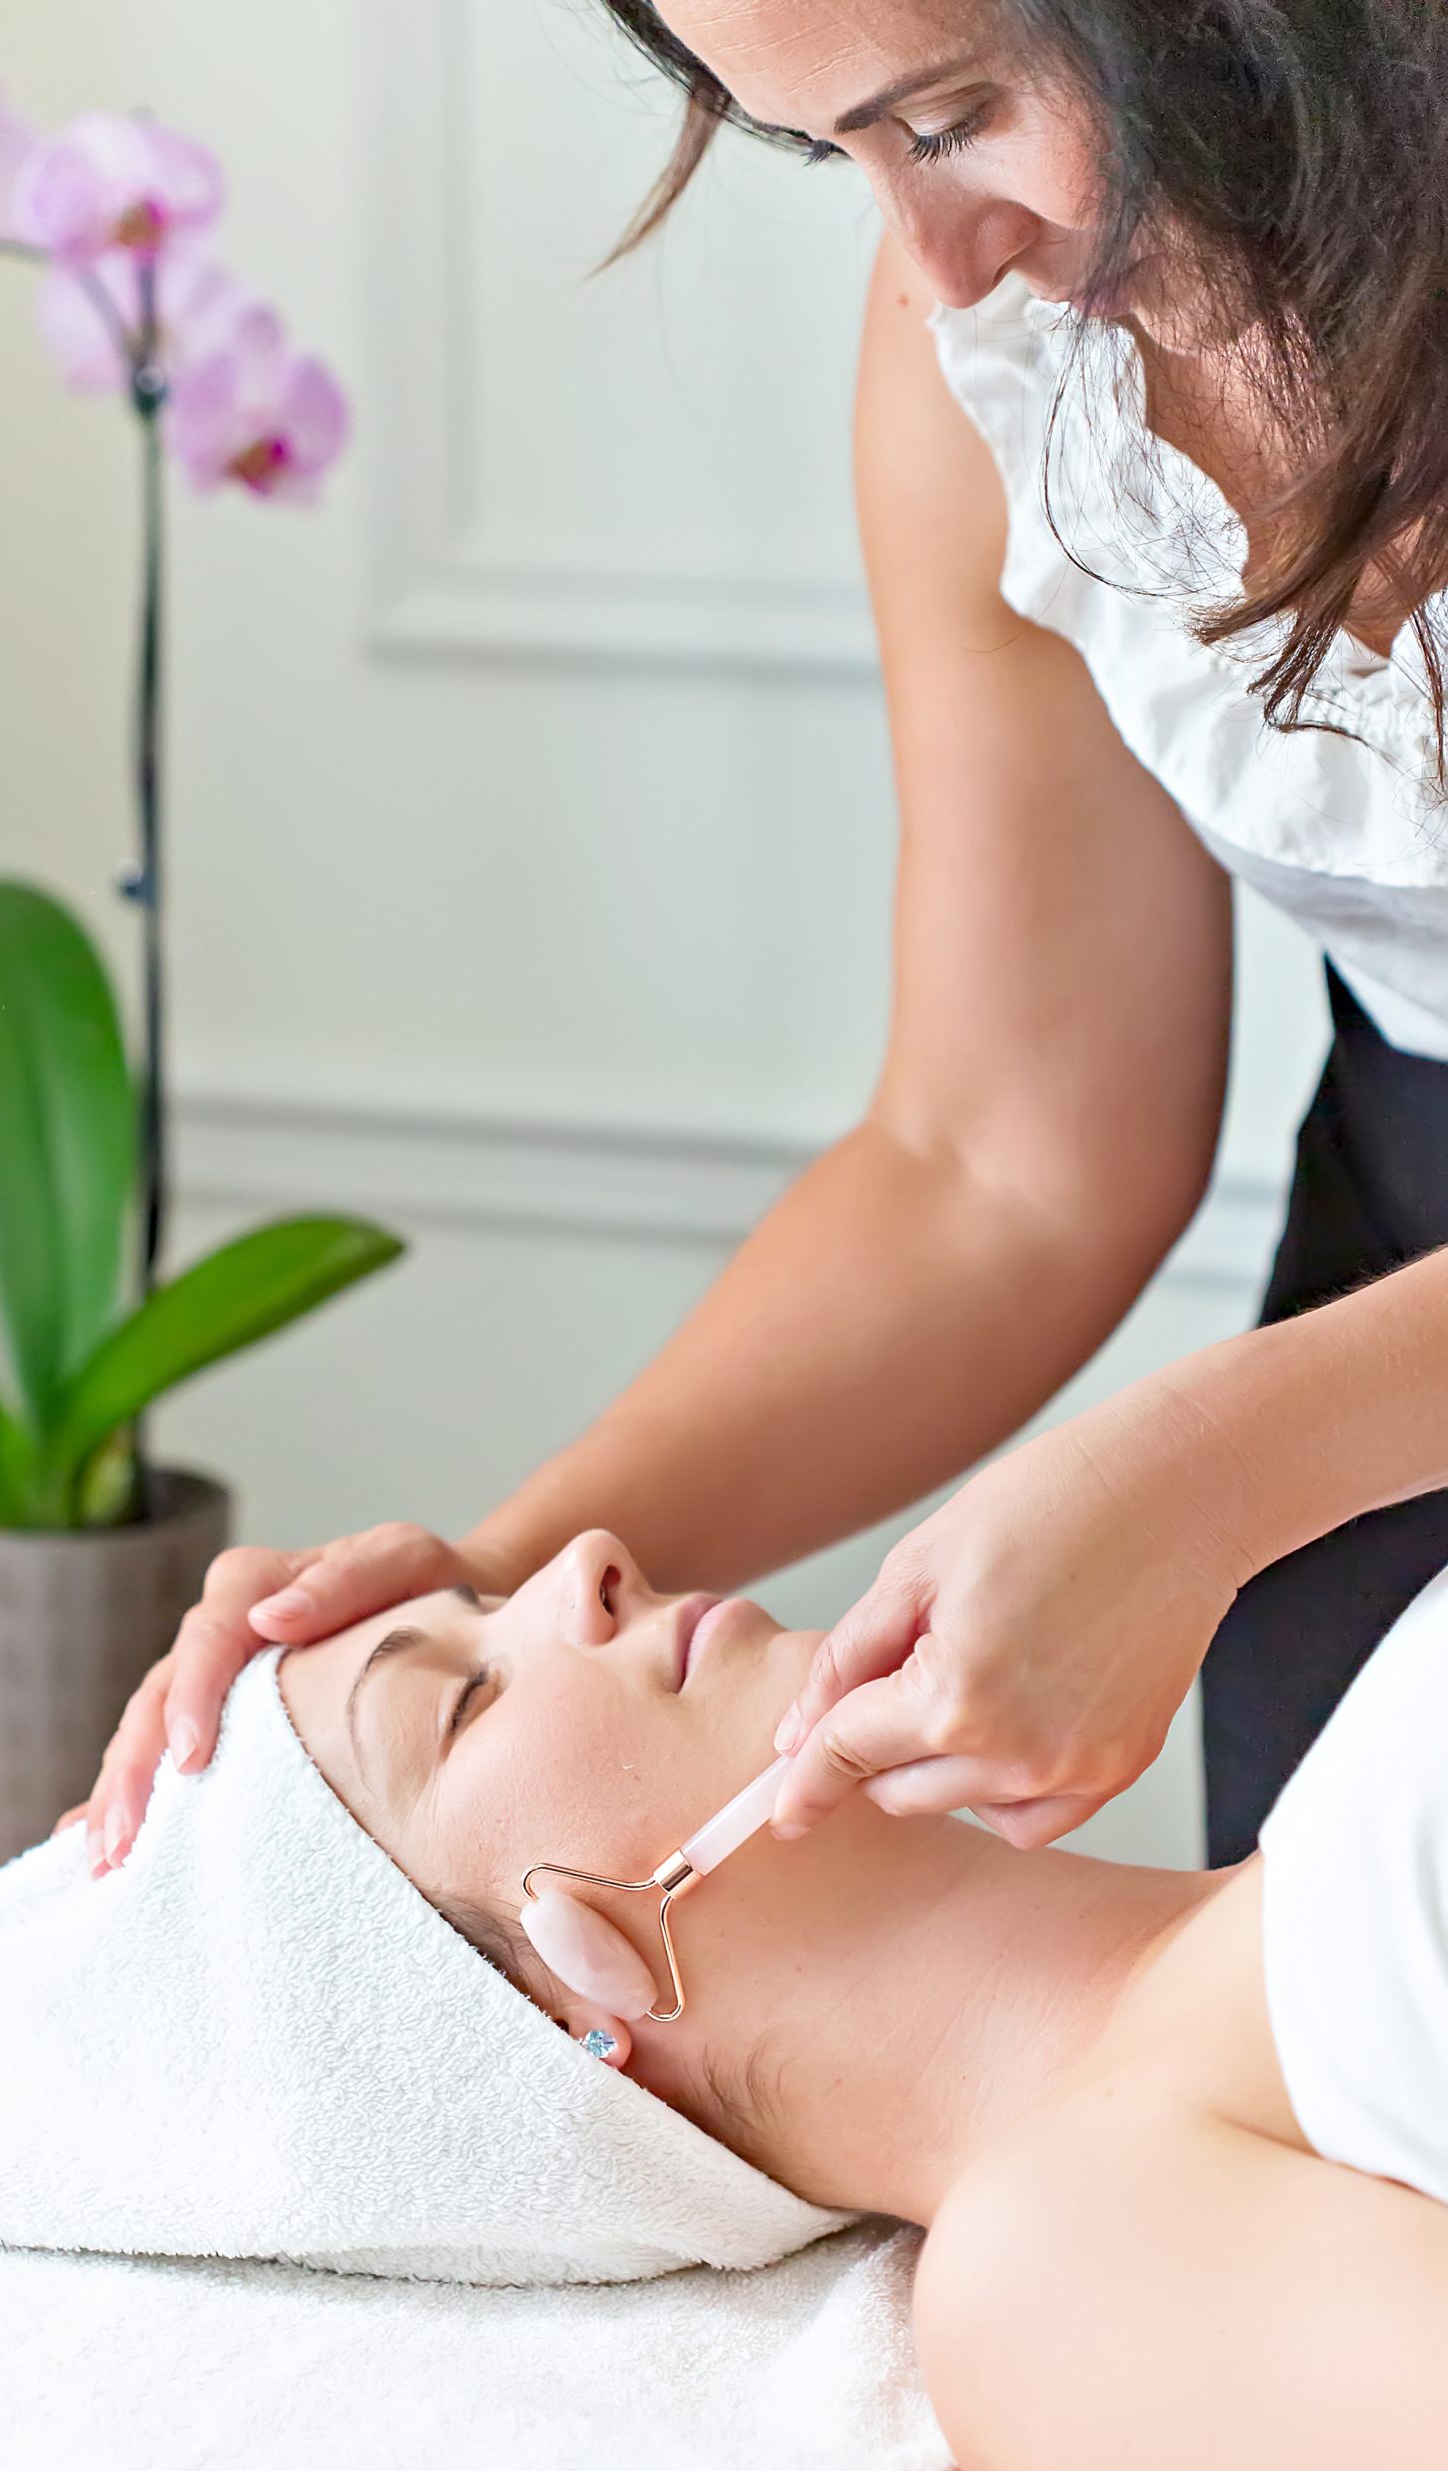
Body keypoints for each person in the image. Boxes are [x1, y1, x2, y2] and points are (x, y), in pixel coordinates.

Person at [72, 0, 1448, 1879]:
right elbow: (999, 1164)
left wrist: (1224, 1463)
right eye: (836, 153)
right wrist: (500, 1571)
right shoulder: (995, 353)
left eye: (953, 118)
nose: (933, 263)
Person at [269, 1528, 1448, 2471]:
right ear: (554, 2017)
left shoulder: (1330, 1785)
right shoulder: (1047, 2273)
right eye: (464, 1699)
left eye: (484, 1603)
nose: (584, 1559)